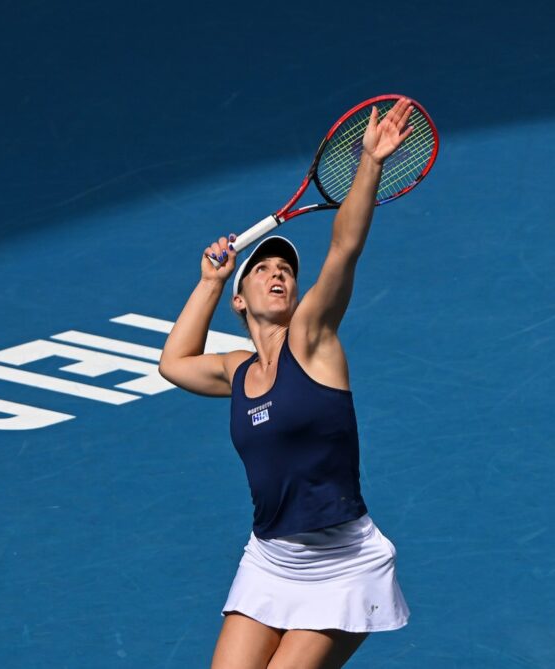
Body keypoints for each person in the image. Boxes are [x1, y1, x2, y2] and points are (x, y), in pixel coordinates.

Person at [158, 97, 416, 669]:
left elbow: (344, 248)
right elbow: (173, 364)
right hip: (272, 560)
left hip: (344, 563)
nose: (277, 273)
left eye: (286, 272)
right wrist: (209, 279)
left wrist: (369, 167)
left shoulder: (313, 340)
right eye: (263, 270)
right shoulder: (237, 370)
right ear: (240, 300)